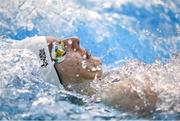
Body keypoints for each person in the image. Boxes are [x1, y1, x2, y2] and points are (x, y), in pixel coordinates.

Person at [12, 36, 157, 115]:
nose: (74, 40)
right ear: (52, 76)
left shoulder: (113, 80)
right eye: (59, 48)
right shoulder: (123, 94)